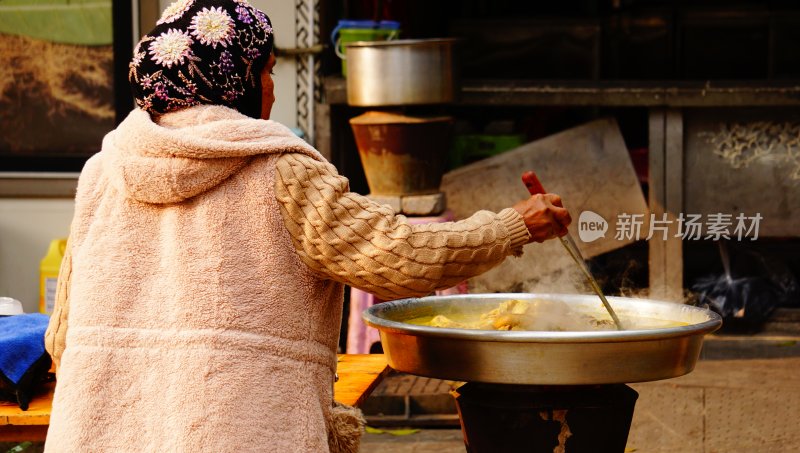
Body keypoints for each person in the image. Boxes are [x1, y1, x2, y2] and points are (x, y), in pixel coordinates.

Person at [43, 0, 571, 451]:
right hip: (241, 432)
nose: (271, 88)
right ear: (235, 78)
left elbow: (61, 334)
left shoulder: (103, 171)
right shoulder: (281, 171)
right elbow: (402, 255)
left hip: (100, 430)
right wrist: (511, 226)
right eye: (266, 70)